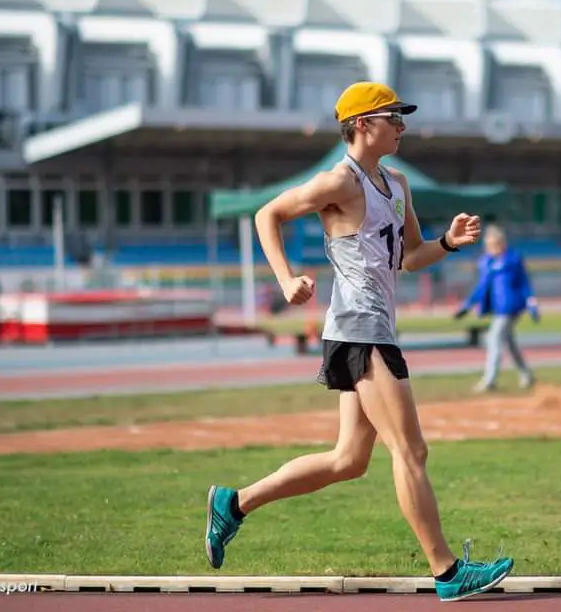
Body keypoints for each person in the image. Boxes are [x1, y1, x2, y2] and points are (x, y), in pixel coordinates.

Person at [203, 81, 514, 602]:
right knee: (410, 448)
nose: (403, 125)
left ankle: (232, 505)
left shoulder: (396, 184)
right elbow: (267, 215)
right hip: (358, 328)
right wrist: (284, 280)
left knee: (349, 459)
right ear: (364, 124)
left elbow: (408, 257)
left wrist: (446, 243)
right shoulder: (338, 182)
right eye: (395, 116)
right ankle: (447, 572)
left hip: (373, 328)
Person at [454, 225, 540, 393]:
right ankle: (527, 375)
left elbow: (524, 282)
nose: (490, 247)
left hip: (511, 307)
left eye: (493, 243)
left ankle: (489, 380)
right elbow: (482, 286)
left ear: (501, 243)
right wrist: (468, 304)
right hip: (498, 307)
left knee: (493, 338)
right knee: (509, 342)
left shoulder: (513, 259)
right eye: (488, 244)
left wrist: (531, 302)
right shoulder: (487, 262)